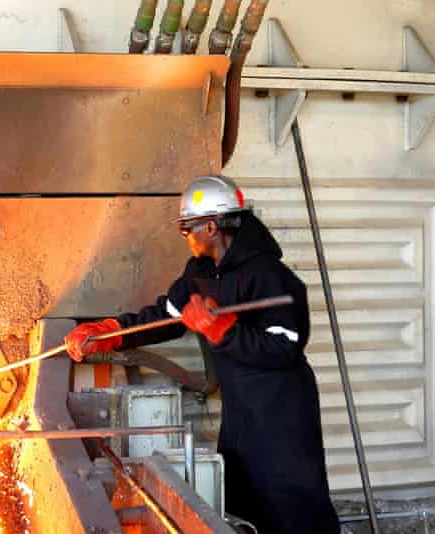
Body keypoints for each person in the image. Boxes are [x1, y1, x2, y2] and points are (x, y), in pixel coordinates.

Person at [64, 175, 339, 534]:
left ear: (210, 226)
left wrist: (221, 331)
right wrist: (113, 332)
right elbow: (169, 315)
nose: (185, 237)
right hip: (242, 407)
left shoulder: (269, 274)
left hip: (282, 408)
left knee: (291, 502)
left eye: (186, 229)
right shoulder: (201, 272)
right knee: (244, 495)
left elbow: (283, 347)